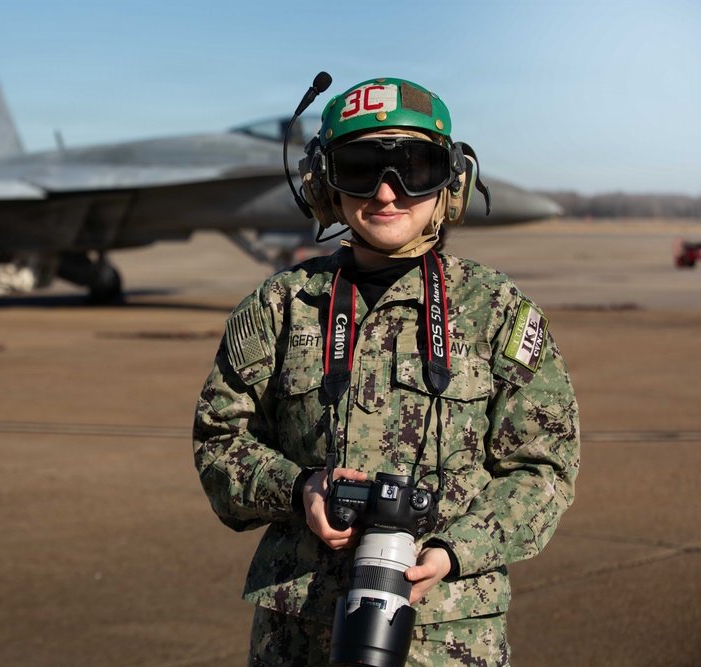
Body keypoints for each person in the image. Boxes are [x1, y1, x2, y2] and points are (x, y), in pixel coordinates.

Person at [192, 76, 580, 666]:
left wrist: (456, 550)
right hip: (299, 635)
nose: (386, 192)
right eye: (360, 167)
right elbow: (220, 442)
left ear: (452, 183)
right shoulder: (280, 305)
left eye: (415, 169)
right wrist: (299, 489)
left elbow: (544, 469)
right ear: (324, 184)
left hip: (451, 637)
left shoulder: (494, 310)